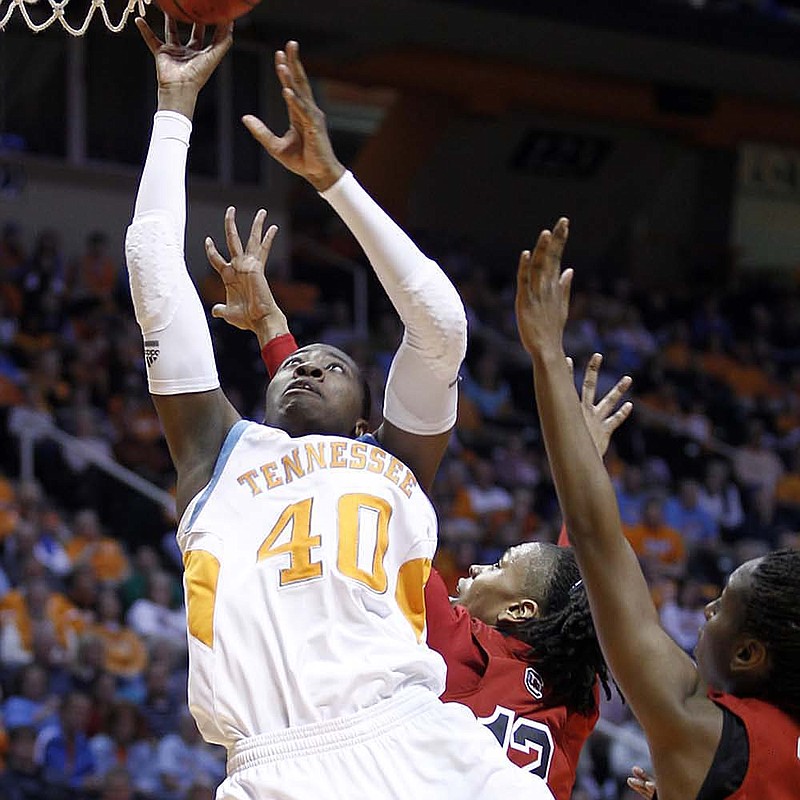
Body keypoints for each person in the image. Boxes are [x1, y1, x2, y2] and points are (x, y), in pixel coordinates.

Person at [125, 16, 552, 800]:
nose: (311, 364)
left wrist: (333, 181)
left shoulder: (392, 463)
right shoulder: (217, 452)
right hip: (272, 764)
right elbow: (155, 274)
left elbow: (440, 328)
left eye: (334, 364)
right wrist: (174, 108)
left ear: (367, 421)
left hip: (413, 736)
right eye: (301, 360)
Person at [224, 271, 630, 800]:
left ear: (520, 612)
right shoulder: (573, 691)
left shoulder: (455, 640)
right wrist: (587, 464)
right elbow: (582, 570)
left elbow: (331, 476)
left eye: (501, 564)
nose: (479, 568)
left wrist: (278, 339)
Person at [514, 216, 800, 800]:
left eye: (724, 606)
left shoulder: (709, 735)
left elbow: (597, 540)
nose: (708, 606)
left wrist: (545, 353)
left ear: (748, 653)